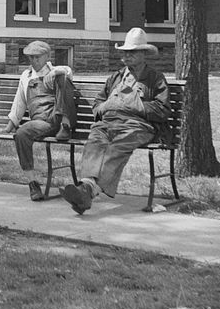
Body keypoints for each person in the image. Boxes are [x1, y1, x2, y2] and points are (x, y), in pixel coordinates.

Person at [61, 27, 171, 214]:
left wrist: (135, 106)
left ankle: (87, 190)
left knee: (116, 148)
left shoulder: (155, 78)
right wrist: (104, 107)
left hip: (137, 126)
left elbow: (163, 109)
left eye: (132, 53)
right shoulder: (116, 76)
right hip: (108, 123)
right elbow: (98, 102)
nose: (127, 57)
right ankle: (86, 191)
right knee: (94, 142)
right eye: (125, 53)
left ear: (144, 54)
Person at [0, 40, 76, 201]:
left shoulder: (57, 72)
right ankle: (33, 183)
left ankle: (65, 126)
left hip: (59, 119)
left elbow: (68, 71)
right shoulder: (26, 76)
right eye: (31, 57)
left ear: (47, 56)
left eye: (37, 57)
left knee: (62, 78)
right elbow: (19, 103)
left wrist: (54, 73)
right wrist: (8, 127)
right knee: (21, 134)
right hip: (41, 123)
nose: (34, 60)